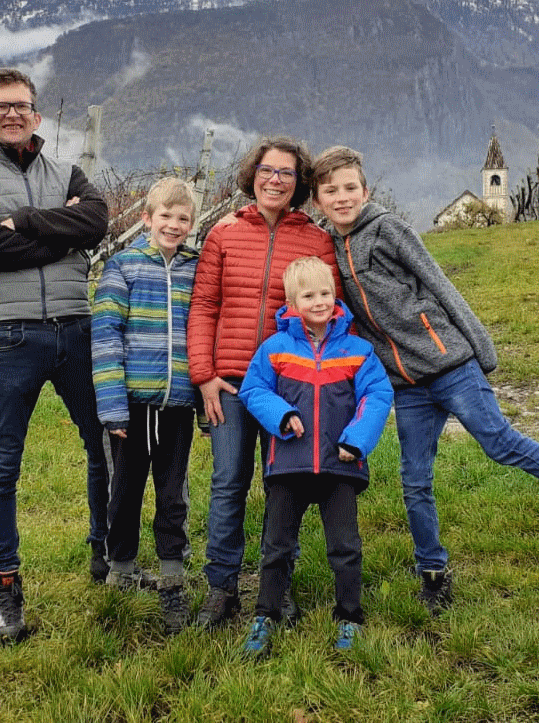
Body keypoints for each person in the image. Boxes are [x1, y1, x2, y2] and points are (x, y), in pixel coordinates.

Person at [309, 145, 539, 614]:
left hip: (449, 363)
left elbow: (440, 283)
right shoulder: (330, 245)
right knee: (415, 479)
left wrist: (481, 350)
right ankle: (433, 572)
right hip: (406, 383)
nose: (342, 198)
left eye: (350, 188)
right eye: (331, 191)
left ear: (365, 190)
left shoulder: (388, 229)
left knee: (501, 443)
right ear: (318, 200)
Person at [0, 66, 111, 643]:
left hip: (75, 327)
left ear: (36, 115)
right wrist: (60, 233)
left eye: (21, 105)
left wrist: (31, 223)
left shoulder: (68, 170)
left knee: (107, 443)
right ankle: (5, 586)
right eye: (0, 107)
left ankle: (106, 550)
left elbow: (97, 220)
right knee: (1, 465)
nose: (11, 114)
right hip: (6, 334)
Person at [187, 136, 341, 629]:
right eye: (267, 170)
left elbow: (330, 312)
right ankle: (221, 588)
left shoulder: (315, 240)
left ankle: (279, 586)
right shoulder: (224, 234)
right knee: (228, 481)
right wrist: (204, 376)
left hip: (290, 385)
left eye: (287, 173)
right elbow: (205, 306)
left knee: (284, 486)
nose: (275, 180)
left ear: (300, 184)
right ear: (253, 174)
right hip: (230, 382)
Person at [236, 257, 392, 656]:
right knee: (277, 544)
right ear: (292, 302)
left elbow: (378, 396)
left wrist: (356, 440)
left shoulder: (358, 351)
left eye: (325, 293)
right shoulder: (275, 349)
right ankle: (265, 616)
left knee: (345, 546)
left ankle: (349, 617)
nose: (319, 301)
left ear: (334, 295)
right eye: (309, 295)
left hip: (341, 464)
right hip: (288, 463)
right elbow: (253, 391)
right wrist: (282, 416)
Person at [90, 177, 201, 635]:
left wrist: (200, 396)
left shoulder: (196, 270)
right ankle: (122, 567)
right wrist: (113, 405)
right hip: (132, 406)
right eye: (166, 217)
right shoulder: (123, 268)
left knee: (173, 491)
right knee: (126, 490)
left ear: (192, 224)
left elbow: (203, 335)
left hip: (177, 405)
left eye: (183, 219)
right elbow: (105, 338)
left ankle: (173, 575)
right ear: (146, 218)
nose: (174, 225)